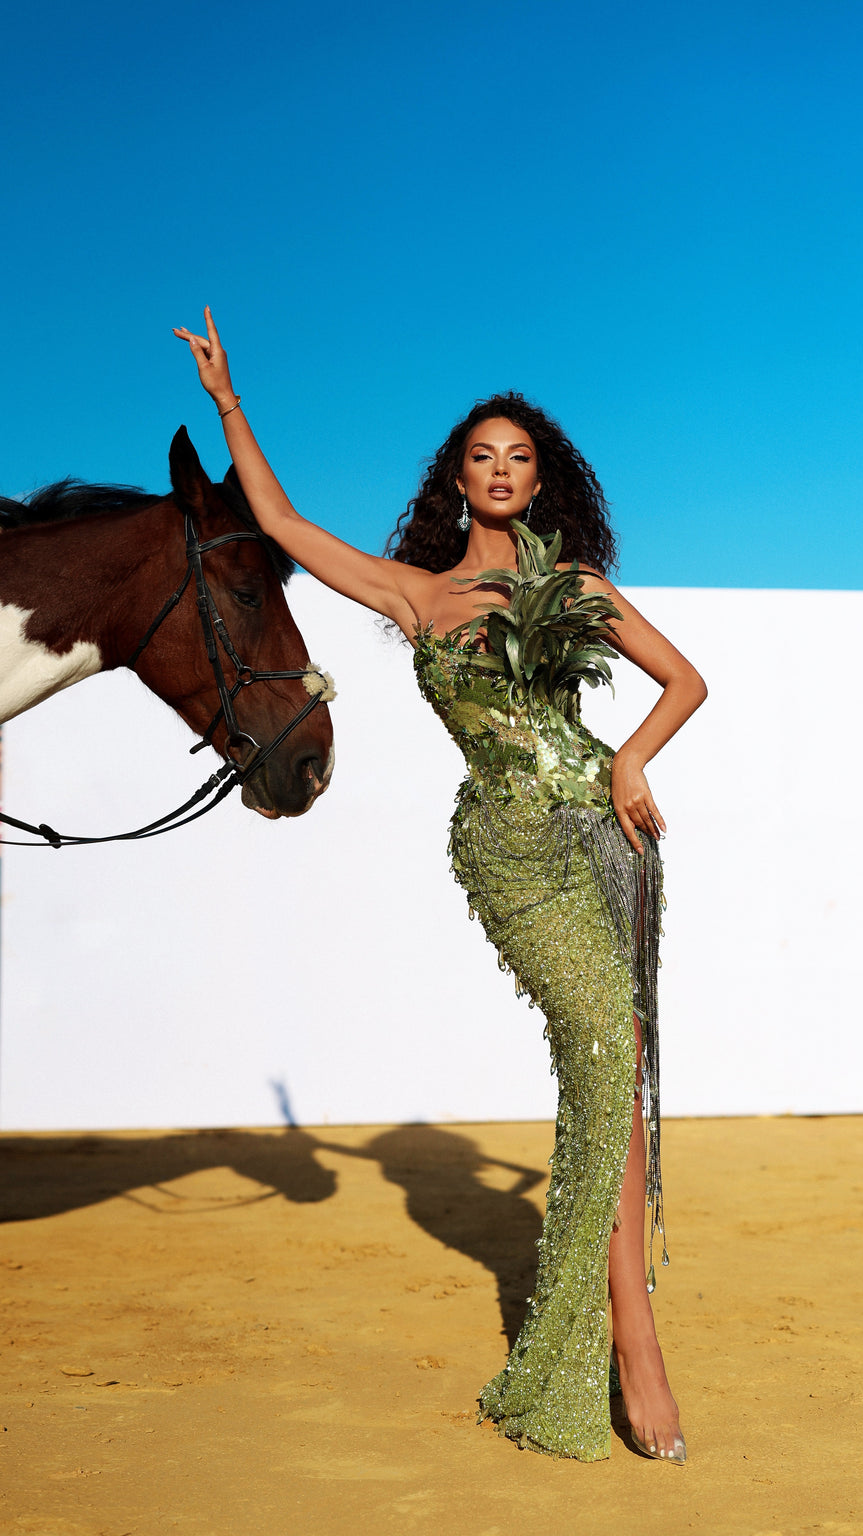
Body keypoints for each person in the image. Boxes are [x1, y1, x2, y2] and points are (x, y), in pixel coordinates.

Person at [175, 308, 708, 1463]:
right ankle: (629, 1340)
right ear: (456, 479)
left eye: (519, 457)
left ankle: (634, 1331)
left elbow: (685, 683)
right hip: (510, 851)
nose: (501, 470)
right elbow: (283, 525)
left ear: (539, 479)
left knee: (615, 1065)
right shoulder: (416, 597)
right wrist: (228, 403)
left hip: (606, 835)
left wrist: (629, 758)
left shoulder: (574, 583)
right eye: (482, 456)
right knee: (603, 1051)